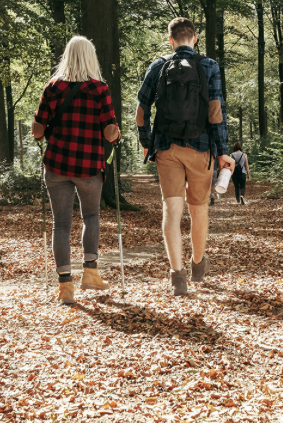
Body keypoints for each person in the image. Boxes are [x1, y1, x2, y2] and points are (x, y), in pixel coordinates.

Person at [136, 18, 234, 296]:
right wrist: (222, 151)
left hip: (166, 148)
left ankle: (177, 275)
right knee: (199, 208)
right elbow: (216, 112)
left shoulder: (158, 66)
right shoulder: (209, 66)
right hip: (200, 147)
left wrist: (147, 144)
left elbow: (140, 112)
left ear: (170, 40)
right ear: (195, 38)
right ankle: (198, 265)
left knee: (172, 209)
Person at [31, 36, 121, 305]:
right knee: (91, 216)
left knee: (61, 224)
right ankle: (90, 273)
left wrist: (46, 131)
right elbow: (109, 132)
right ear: (91, 57)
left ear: (67, 56)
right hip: (89, 166)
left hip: (57, 164)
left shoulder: (52, 87)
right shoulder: (99, 88)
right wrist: (115, 136)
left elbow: (37, 132)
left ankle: (65, 287)